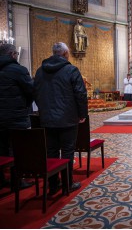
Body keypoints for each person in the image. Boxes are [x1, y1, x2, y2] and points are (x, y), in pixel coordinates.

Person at [34, 42, 88, 195]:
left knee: (50, 151)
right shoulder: (71, 70)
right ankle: (67, 184)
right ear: (65, 54)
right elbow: (80, 94)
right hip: (67, 119)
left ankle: (53, 185)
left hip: (47, 119)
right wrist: (82, 114)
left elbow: (35, 93)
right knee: (67, 151)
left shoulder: (40, 71)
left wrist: (44, 110)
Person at [0, 44, 34, 189]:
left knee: (1, 149)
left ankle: (1, 181)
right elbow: (31, 90)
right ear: (13, 54)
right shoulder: (18, 70)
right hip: (16, 117)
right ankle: (17, 181)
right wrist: (26, 105)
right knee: (17, 149)